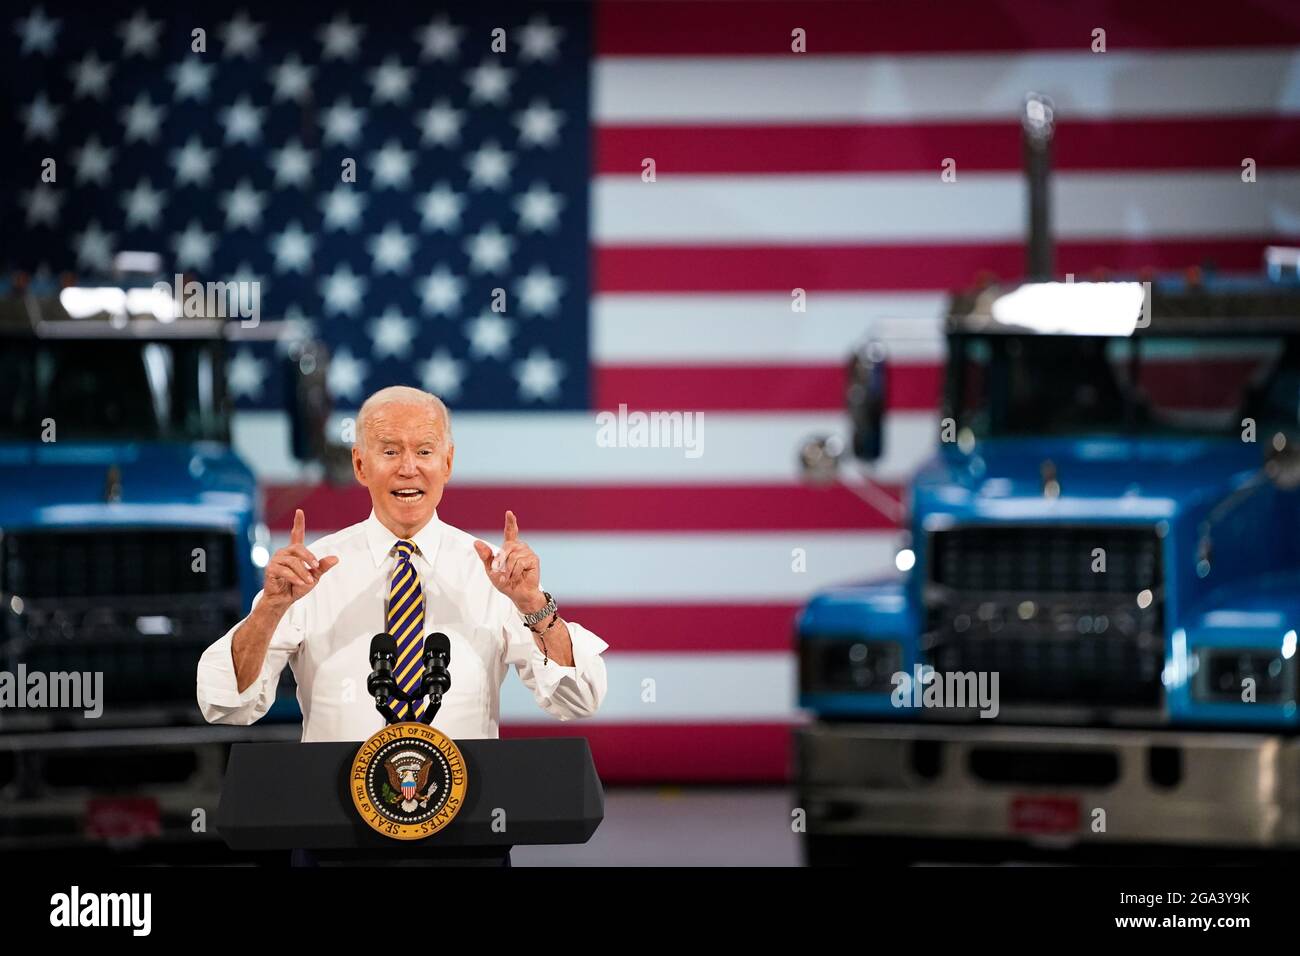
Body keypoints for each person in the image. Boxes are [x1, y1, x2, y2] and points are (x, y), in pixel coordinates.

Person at [196, 385, 608, 742]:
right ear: (360, 465)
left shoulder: (494, 575)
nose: (408, 468)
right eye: (390, 451)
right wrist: (270, 608)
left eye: (424, 451)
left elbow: (578, 700)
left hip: (463, 816)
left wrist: (532, 604)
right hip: (339, 819)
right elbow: (226, 703)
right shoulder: (309, 573)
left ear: (447, 463)